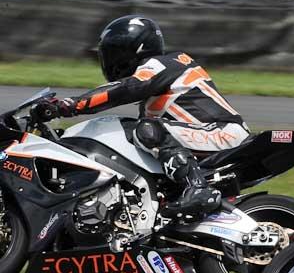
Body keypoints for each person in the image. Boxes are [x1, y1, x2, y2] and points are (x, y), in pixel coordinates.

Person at [33, 16, 250, 237]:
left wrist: (69, 105)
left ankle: (198, 189)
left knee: (147, 130)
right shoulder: (157, 85)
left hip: (223, 132)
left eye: (114, 50)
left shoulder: (165, 63)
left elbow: (126, 89)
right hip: (205, 135)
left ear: (135, 48)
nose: (109, 58)